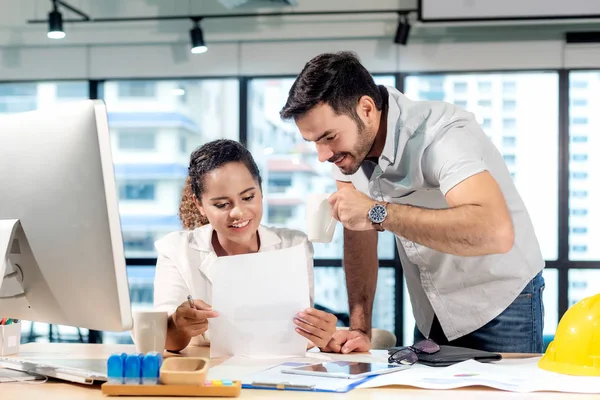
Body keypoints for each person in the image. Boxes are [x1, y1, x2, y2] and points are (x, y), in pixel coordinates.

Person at [280, 51, 545, 354]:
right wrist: (359, 328)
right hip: (432, 310)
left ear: (366, 108)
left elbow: (495, 232)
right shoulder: (347, 150)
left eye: (328, 137)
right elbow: (359, 233)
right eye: (314, 142)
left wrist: (376, 212)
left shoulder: (442, 135)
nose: (322, 155)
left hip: (500, 302)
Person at [153, 139, 338, 352]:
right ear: (199, 205)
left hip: (276, 373)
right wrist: (178, 323)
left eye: (248, 197)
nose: (238, 212)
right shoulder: (176, 249)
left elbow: (301, 335)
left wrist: (320, 333)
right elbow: (163, 340)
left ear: (261, 190)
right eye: (222, 204)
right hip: (205, 374)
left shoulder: (294, 245)